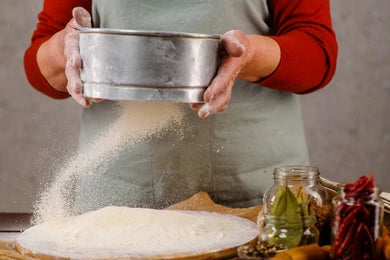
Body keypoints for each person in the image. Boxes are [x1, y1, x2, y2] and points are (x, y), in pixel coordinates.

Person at [25, 0, 338, 210]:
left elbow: (317, 53)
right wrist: (64, 51)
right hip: (118, 195)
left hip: (253, 197)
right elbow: (40, 65)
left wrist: (249, 55)